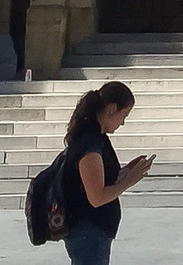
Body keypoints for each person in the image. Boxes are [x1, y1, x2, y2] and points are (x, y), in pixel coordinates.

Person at [61, 80, 151, 265]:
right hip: (88, 232)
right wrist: (129, 181)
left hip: (93, 233)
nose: (123, 122)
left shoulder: (97, 137)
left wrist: (127, 171)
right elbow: (97, 197)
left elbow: (103, 181)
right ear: (112, 109)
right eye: (123, 115)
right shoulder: (89, 143)